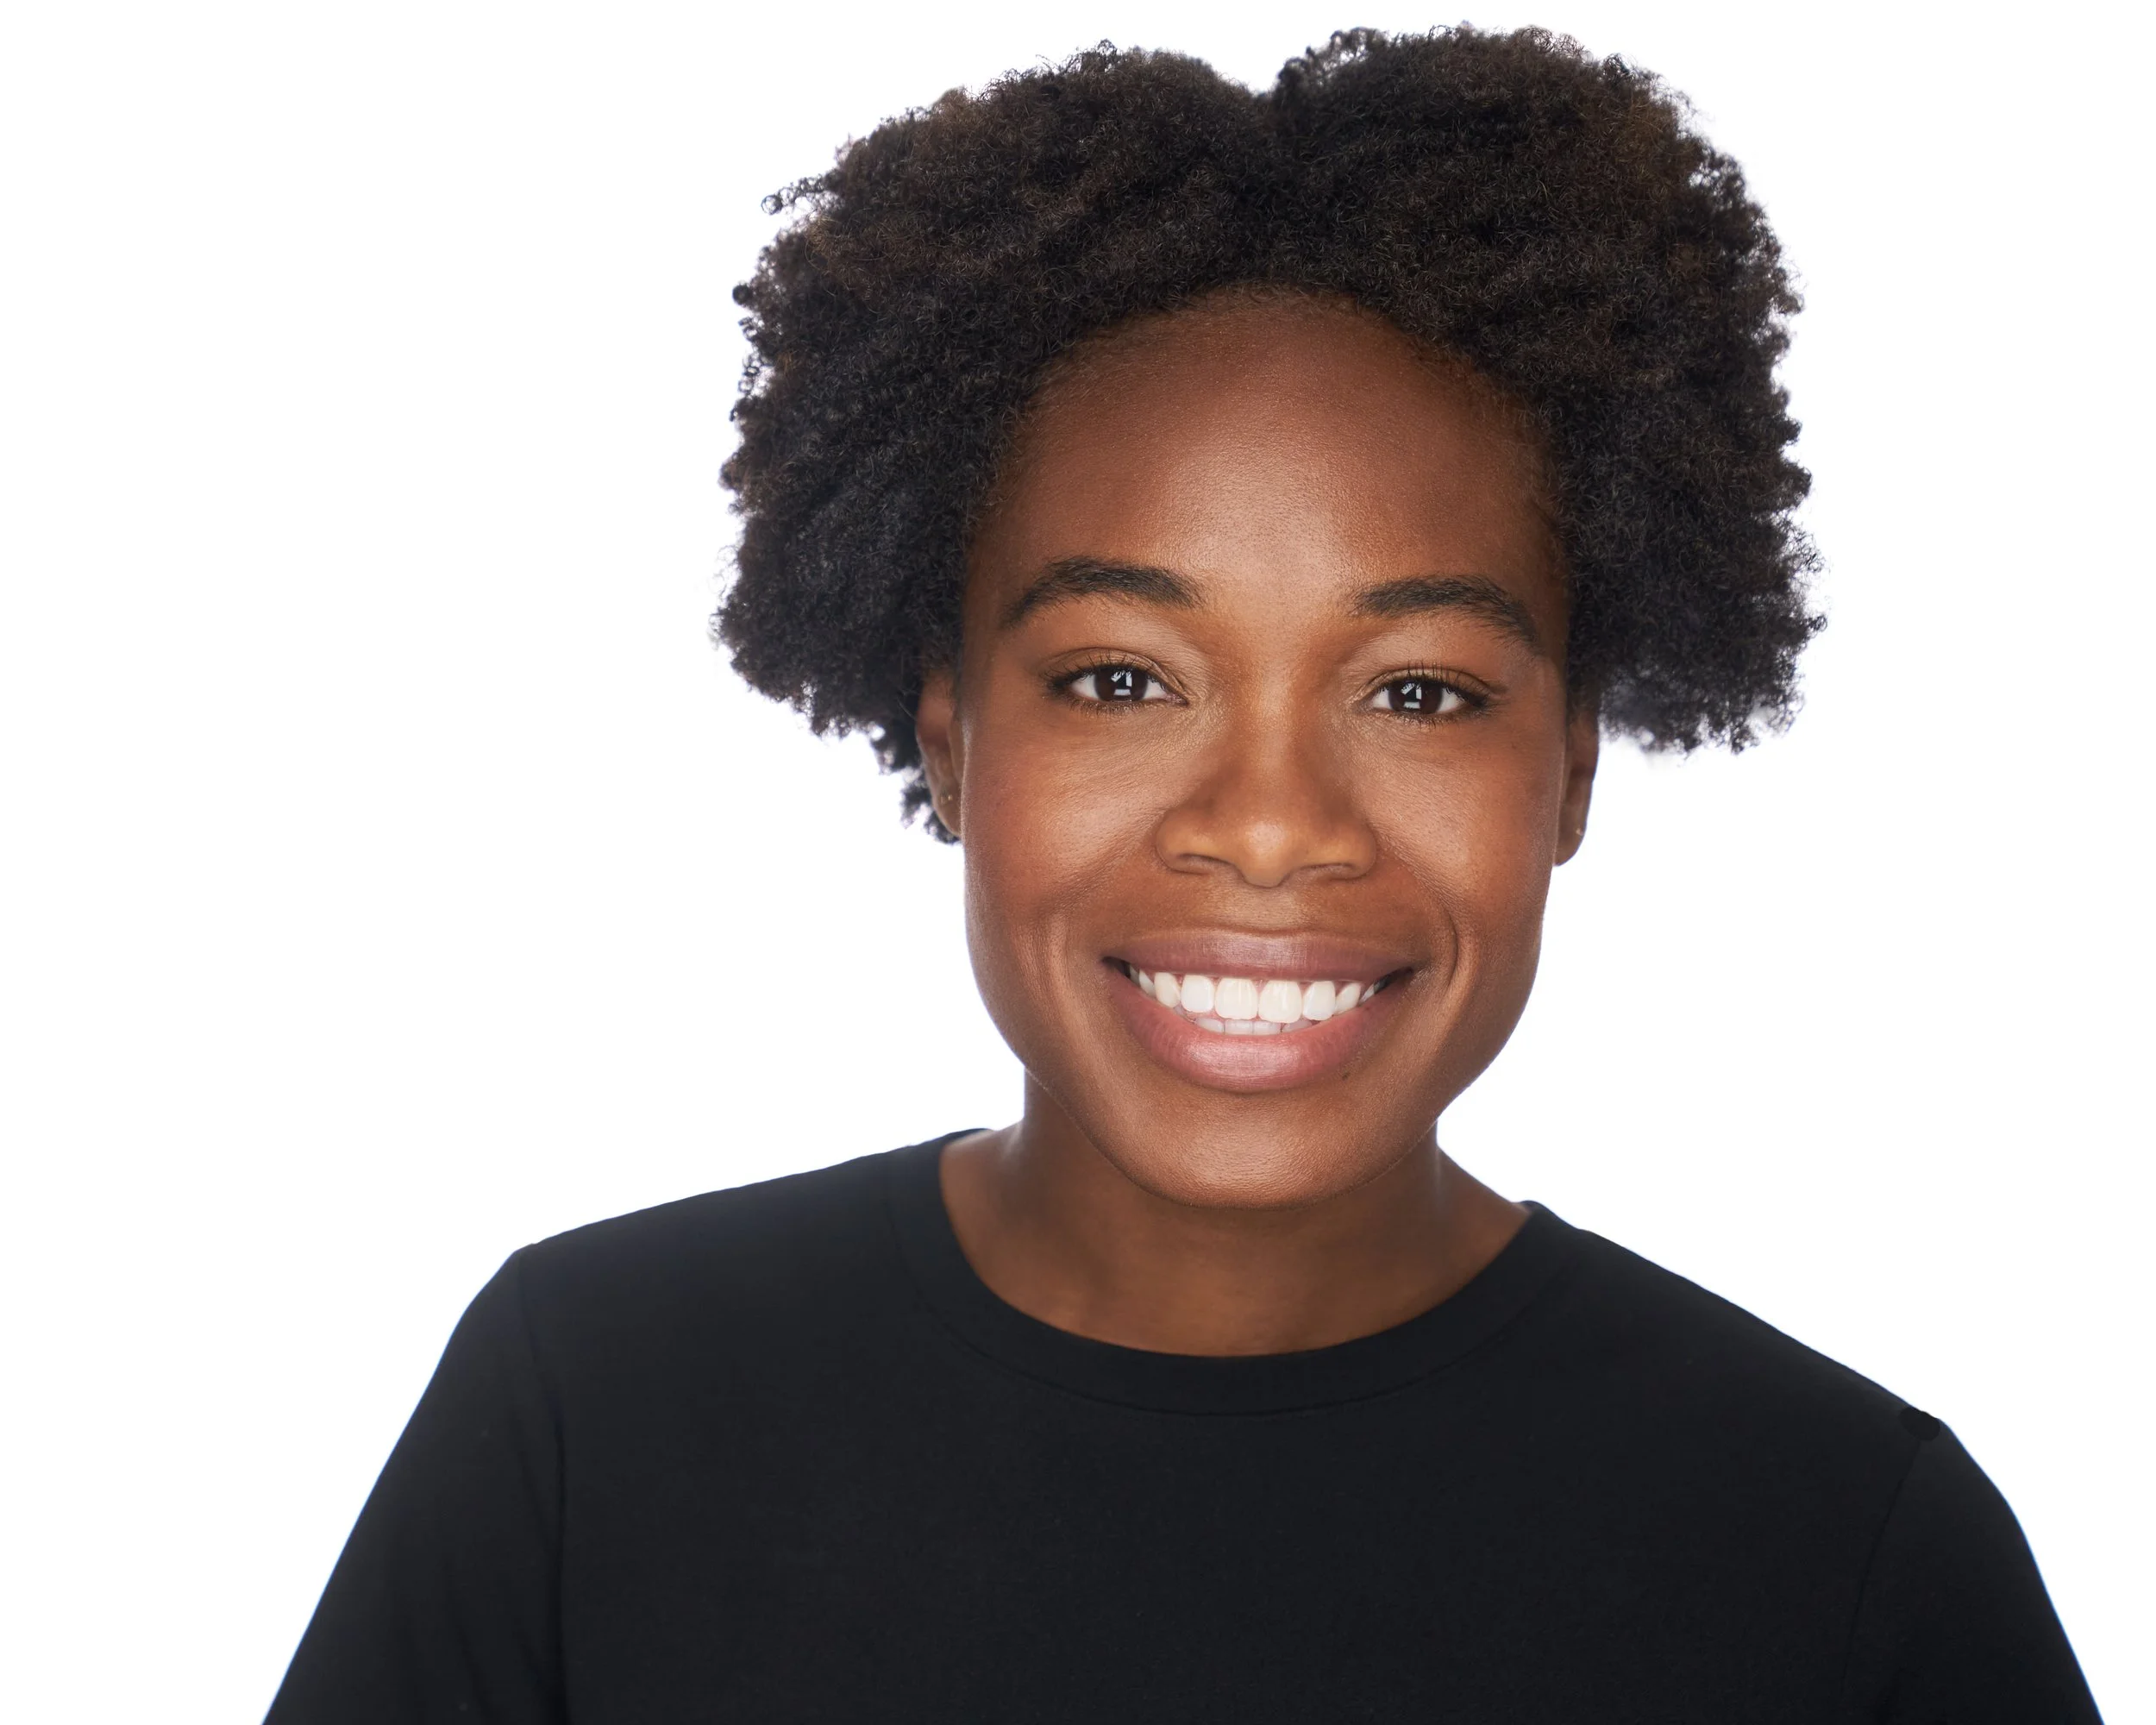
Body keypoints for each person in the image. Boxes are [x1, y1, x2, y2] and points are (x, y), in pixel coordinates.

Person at [266, 28, 2099, 1722]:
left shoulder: (1845, 1554)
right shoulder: (596, 1411)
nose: (1271, 819)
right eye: (1120, 678)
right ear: (949, 734)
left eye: (1418, 691)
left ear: (1569, 764)